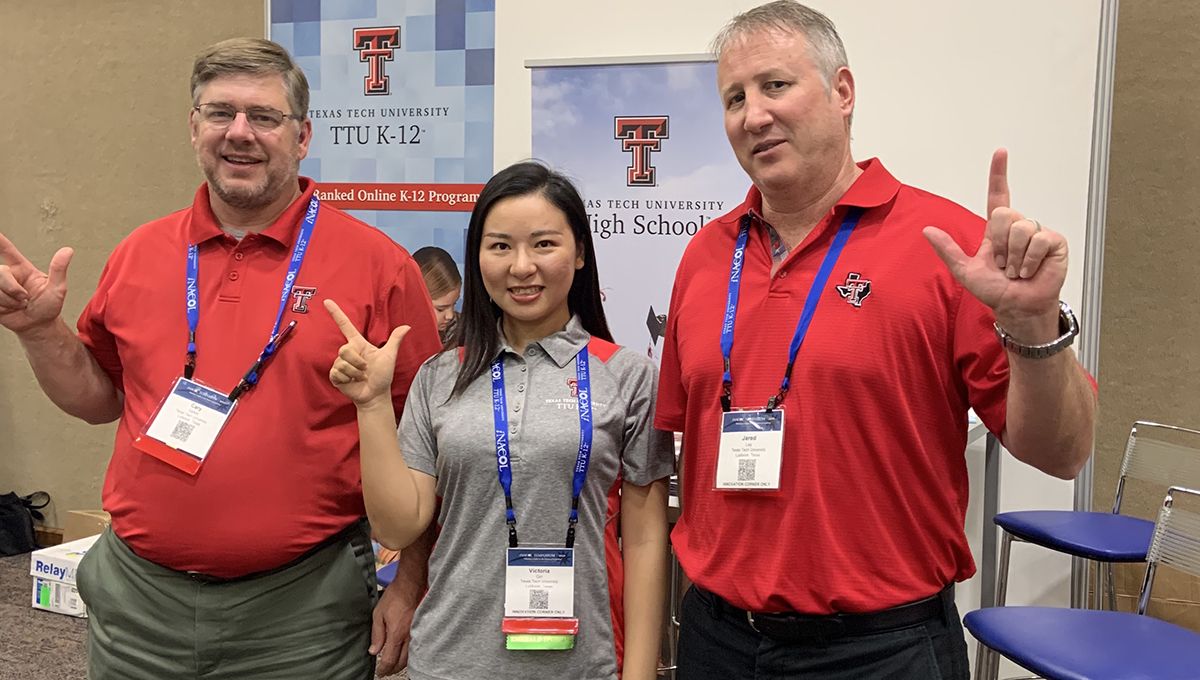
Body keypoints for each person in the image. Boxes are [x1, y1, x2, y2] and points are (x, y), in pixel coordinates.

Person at [655, 3, 1098, 679]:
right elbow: (685, 444)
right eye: (734, 98)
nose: (753, 115)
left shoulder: (946, 247)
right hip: (719, 641)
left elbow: (1064, 453)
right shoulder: (705, 257)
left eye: (776, 85)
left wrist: (1035, 327)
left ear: (842, 92)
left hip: (882, 652)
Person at [0, 38, 442, 679]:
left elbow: (431, 445)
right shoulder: (141, 252)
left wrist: (410, 584)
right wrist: (41, 333)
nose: (240, 133)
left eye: (264, 116)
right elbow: (100, 399)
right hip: (139, 603)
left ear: (303, 135)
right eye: (220, 113)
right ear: (194, 127)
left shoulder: (379, 267)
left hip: (303, 610)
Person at [325, 161, 675, 680]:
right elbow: (397, 525)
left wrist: (640, 674)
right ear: (479, 257)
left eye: (544, 244)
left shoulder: (627, 376)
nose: (521, 267)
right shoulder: (441, 376)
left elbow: (646, 542)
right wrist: (372, 405)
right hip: (447, 659)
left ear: (579, 252)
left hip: (582, 662)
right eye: (501, 246)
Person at [412, 245, 462, 346]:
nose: (450, 316)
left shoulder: (463, 332)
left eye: (454, 304)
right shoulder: (395, 336)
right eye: (441, 309)